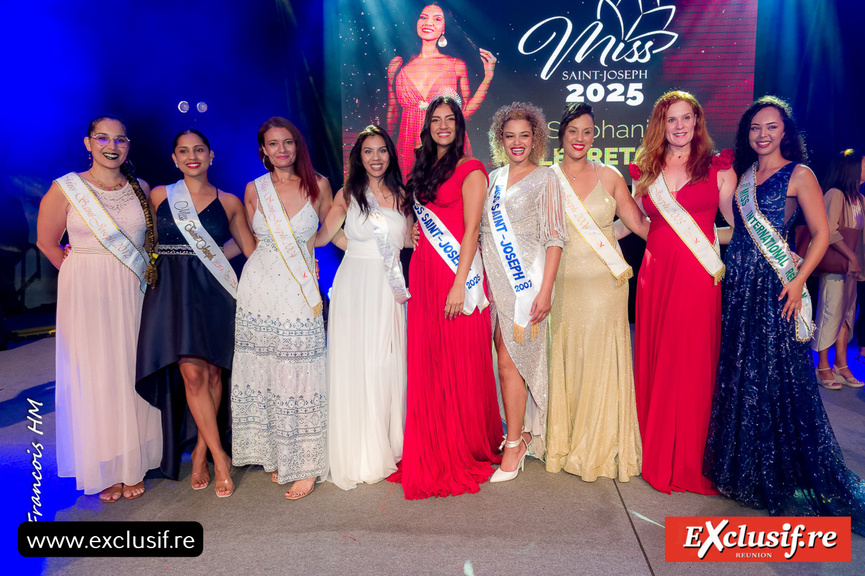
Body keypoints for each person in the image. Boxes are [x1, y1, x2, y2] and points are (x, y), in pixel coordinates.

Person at [704, 97, 865, 533]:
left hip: (777, 289)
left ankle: (778, 468)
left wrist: (797, 280)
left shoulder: (801, 174)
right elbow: (738, 231)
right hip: (740, 286)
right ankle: (744, 467)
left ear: (785, 131)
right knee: (743, 370)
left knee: (776, 373)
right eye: (755, 128)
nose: (762, 135)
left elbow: (821, 234)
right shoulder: (745, 177)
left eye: (771, 127)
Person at [36, 115, 162, 502]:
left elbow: (150, 246)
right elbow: (47, 242)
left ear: (128, 146)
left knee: (129, 371)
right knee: (96, 376)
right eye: (103, 138)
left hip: (131, 289)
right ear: (87, 142)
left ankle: (133, 462)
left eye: (120, 139)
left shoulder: (141, 188)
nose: (112, 145)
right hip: (86, 293)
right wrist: (80, 275)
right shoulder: (67, 188)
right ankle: (105, 466)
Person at [387, 95, 502, 499]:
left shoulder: (471, 169)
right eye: (435, 120)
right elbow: (412, 216)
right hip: (423, 273)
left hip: (459, 279)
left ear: (459, 125)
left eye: (449, 119)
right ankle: (434, 435)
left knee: (461, 360)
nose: (442, 126)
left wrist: (458, 282)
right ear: (427, 125)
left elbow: (472, 230)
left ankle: (466, 441)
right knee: (430, 361)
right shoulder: (422, 167)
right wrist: (411, 233)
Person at [135, 129, 256, 498]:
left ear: (211, 155)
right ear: (174, 158)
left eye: (199, 150)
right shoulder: (159, 196)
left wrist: (217, 259)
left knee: (215, 372)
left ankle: (202, 447)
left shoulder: (231, 201)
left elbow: (249, 247)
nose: (192, 156)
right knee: (191, 372)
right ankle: (220, 457)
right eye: (184, 151)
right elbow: (147, 241)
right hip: (172, 293)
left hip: (215, 291)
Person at [631, 91, 736, 494]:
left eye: (686, 118)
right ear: (662, 124)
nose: (679, 126)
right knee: (659, 358)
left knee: (690, 362)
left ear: (697, 121)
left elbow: (737, 227)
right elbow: (638, 225)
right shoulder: (647, 171)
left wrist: (779, 248)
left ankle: (691, 459)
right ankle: (655, 452)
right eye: (671, 120)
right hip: (655, 277)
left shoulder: (718, 170)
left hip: (697, 278)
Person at [230, 117, 333, 500]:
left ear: (298, 146)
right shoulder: (253, 189)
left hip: (299, 290)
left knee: (300, 369)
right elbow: (248, 240)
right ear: (263, 150)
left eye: (288, 142)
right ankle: (277, 453)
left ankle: (305, 462)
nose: (282, 150)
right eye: (273, 144)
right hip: (259, 287)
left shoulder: (319, 185)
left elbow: (330, 231)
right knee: (267, 372)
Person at [546, 103, 647, 481]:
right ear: (562, 134)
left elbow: (636, 223)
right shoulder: (547, 178)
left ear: (594, 136)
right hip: (562, 285)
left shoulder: (610, 176)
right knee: (567, 357)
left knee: (601, 358)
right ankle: (565, 438)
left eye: (587, 132)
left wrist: (686, 252)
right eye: (573, 131)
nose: (580, 139)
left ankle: (600, 441)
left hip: (606, 286)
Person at [316, 125, 413, 490]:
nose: (375, 157)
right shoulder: (347, 193)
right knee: (355, 363)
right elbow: (325, 235)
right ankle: (357, 448)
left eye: (382, 150)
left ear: (391, 154)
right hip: (354, 285)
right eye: (368, 151)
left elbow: (409, 242)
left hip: (387, 287)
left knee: (384, 363)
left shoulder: (403, 194)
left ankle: (385, 443)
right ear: (359, 157)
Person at [481, 102, 567, 482]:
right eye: (509, 136)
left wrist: (545, 290)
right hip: (493, 285)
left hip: (525, 286)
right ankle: (521, 433)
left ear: (536, 139)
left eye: (524, 136)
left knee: (508, 360)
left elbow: (554, 237)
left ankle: (513, 444)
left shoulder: (546, 177)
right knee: (502, 361)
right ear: (501, 139)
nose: (517, 142)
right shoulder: (492, 178)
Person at [386, 3, 496, 177]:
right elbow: (392, 109)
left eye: (437, 19)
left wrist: (488, 77)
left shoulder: (456, 65)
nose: (428, 22)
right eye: (423, 17)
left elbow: (465, 113)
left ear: (444, 28)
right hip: (406, 146)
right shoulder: (398, 65)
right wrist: (386, 145)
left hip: (446, 148)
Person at [813, 149, 865, 389]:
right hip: (836, 265)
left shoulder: (860, 199)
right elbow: (829, 230)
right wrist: (850, 255)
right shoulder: (835, 194)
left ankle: (841, 365)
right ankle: (822, 364)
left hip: (852, 269)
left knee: (846, 315)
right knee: (830, 313)